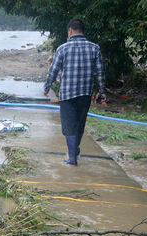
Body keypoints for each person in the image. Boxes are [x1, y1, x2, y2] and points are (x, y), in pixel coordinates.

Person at [44, 18, 106, 166]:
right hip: (85, 93)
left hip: (67, 94)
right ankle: (74, 150)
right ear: (82, 31)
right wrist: (102, 91)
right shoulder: (94, 48)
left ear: (70, 30)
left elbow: (53, 70)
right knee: (79, 124)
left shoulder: (63, 48)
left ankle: (72, 158)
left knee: (69, 126)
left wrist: (47, 86)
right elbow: (100, 72)